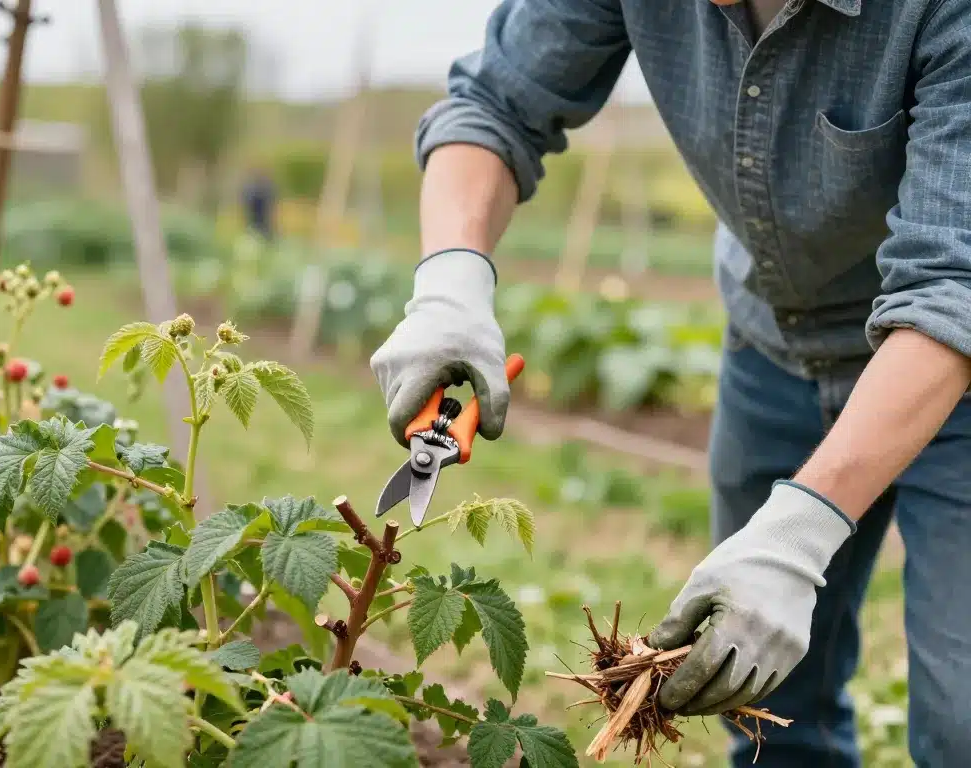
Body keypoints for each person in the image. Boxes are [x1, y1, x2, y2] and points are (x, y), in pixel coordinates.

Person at [369, 1, 971, 765]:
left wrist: (797, 537)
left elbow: (951, 286)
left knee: (961, 720)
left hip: (949, 365)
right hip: (773, 343)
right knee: (768, 707)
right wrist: (450, 280)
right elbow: (494, 103)